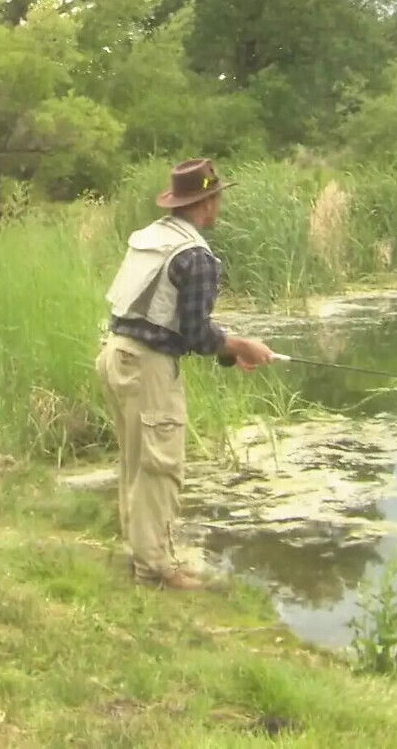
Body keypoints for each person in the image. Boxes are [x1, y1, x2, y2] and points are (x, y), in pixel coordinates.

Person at [96, 158, 276, 591]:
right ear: (207, 202)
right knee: (160, 467)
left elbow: (166, 316)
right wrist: (241, 345)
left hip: (115, 354)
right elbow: (196, 333)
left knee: (137, 463)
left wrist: (229, 352)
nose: (221, 205)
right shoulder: (196, 256)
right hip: (150, 368)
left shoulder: (155, 235)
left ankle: (142, 555)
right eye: (219, 197)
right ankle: (155, 569)